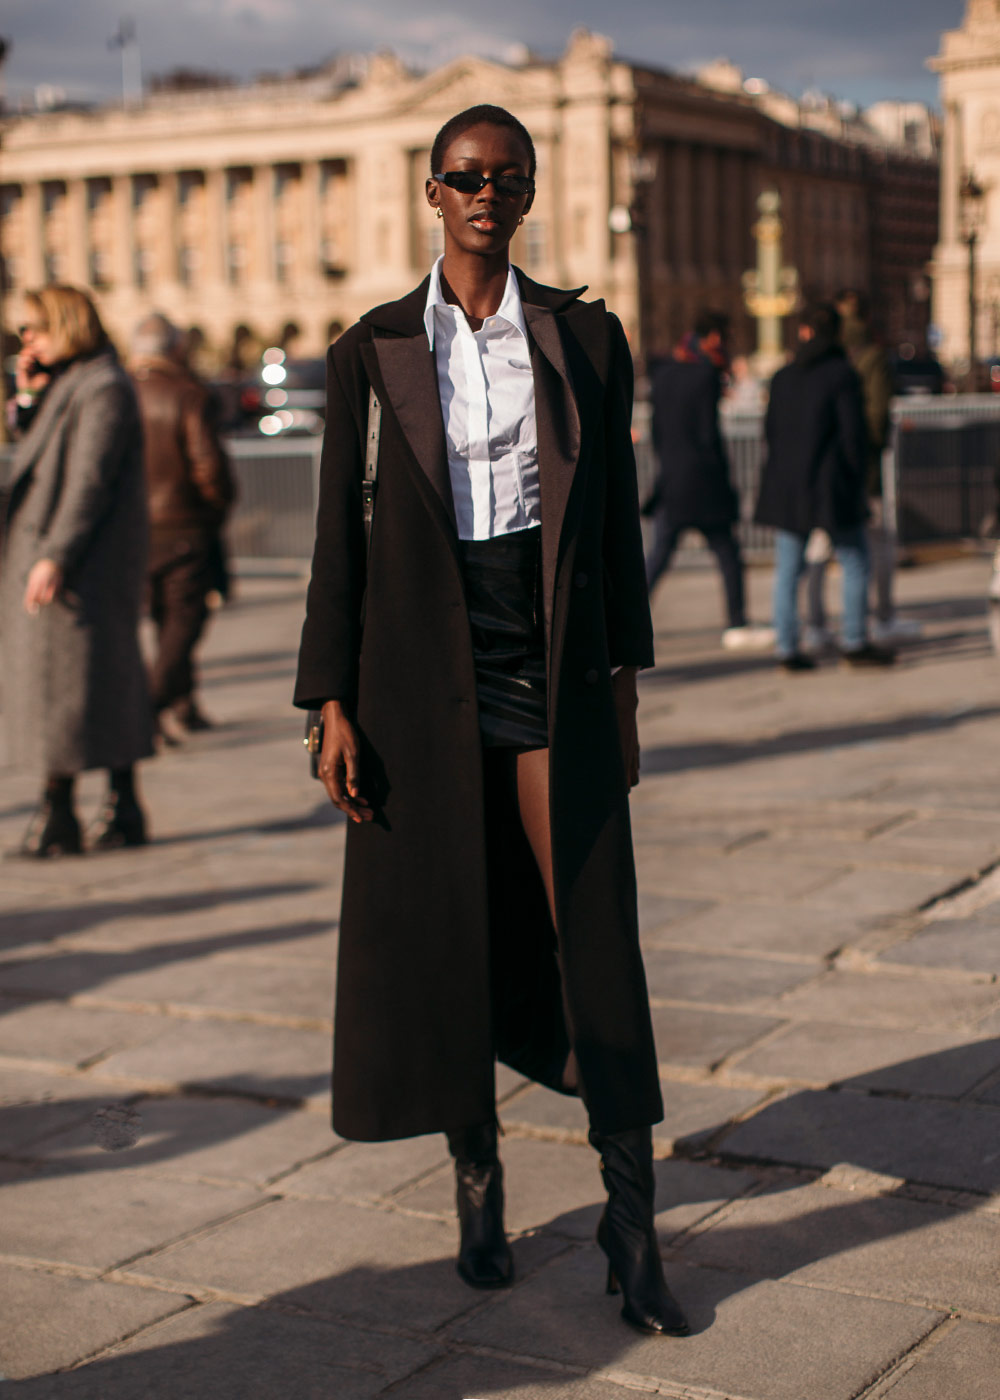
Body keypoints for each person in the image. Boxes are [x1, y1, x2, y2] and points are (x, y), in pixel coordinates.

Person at [294, 105, 689, 1337]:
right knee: (450, 927)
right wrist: (329, 699)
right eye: (465, 175)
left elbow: (611, 524)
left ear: (526, 195)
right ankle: (478, 1178)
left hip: (549, 657)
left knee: (595, 928)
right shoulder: (371, 350)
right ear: (432, 190)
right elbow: (338, 540)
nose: (484, 194)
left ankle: (632, 1219)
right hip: (417, 670)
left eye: (506, 177)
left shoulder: (583, 337)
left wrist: (624, 685)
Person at [0, 286, 153, 855]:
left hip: (84, 564)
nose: (26, 340)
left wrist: (56, 554)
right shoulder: (73, 383)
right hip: (71, 560)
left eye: (34, 329)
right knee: (89, 685)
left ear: (65, 326)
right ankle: (117, 806)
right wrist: (28, 395)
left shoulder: (103, 387)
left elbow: (89, 480)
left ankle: (62, 809)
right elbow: (36, 451)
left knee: (69, 688)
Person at [754, 301, 894, 671]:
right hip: (832, 487)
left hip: (789, 486)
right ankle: (855, 641)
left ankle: (787, 647)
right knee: (855, 560)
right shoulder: (842, 374)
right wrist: (857, 481)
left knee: (788, 570)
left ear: (803, 332)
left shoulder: (782, 376)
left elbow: (770, 431)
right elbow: (853, 437)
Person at [129, 313, 235, 738]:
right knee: (184, 621)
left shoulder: (122, 392)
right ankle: (150, 706)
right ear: (174, 348)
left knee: (164, 619)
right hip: (184, 525)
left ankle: (183, 704)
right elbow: (208, 465)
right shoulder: (187, 393)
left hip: (136, 526)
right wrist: (216, 507)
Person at [645, 311, 772, 650]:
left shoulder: (664, 373)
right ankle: (737, 623)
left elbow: (657, 431)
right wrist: (723, 481)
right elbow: (708, 435)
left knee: (659, 556)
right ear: (714, 337)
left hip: (672, 479)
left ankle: (629, 623)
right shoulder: (705, 376)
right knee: (728, 554)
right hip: (702, 480)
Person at [805, 289, 916, 649]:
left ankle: (817, 624)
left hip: (821, 467)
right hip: (857, 468)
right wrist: (868, 452)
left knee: (819, 546)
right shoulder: (869, 357)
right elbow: (876, 417)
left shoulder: (820, 359)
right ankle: (876, 621)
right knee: (871, 547)